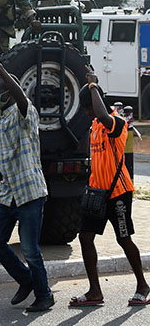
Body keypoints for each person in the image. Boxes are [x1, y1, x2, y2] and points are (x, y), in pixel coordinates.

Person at [0, 40, 54, 312]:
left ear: (9, 92)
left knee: (31, 249)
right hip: (8, 191)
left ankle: (45, 295)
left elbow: (20, 94)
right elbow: (5, 158)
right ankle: (25, 279)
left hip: (30, 191)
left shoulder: (25, 111)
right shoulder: (0, 118)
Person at [69, 72, 150, 307]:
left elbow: (102, 113)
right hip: (97, 193)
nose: (87, 113)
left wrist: (93, 83)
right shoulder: (94, 125)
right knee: (85, 238)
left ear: (96, 103)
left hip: (118, 193)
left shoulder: (117, 122)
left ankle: (143, 286)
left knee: (124, 238)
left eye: (88, 108)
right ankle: (95, 291)